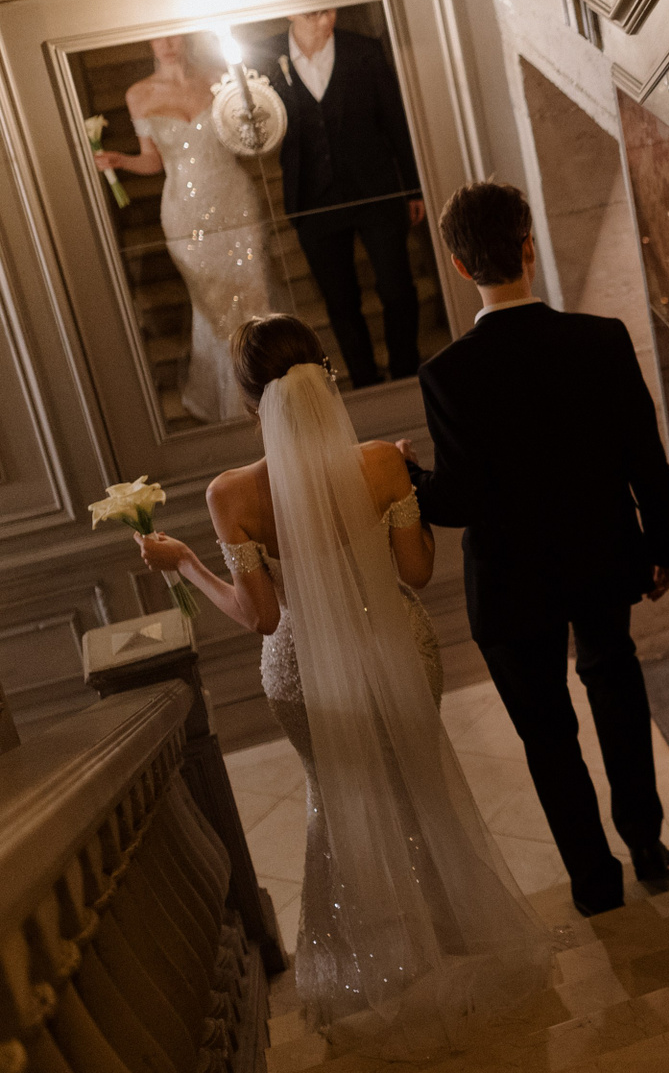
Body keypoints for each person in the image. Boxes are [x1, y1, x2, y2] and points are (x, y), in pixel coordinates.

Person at [134, 315, 549, 1054]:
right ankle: (453, 934)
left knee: (337, 802)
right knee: (421, 788)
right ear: (326, 378)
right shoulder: (381, 464)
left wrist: (185, 564)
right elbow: (415, 571)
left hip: (303, 676)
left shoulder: (231, 494)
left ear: (251, 400)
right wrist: (403, 491)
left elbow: (261, 617)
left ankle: (372, 964)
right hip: (400, 651)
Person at [400, 182, 669, 915]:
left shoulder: (446, 374)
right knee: (616, 689)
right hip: (601, 555)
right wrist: (663, 542)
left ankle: (594, 883)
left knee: (547, 733)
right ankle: (647, 843)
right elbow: (646, 457)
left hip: (510, 580)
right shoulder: (601, 339)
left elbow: (460, 501)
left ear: (460, 266)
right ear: (529, 247)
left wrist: (409, 478)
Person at [94, 34, 277, 424]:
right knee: (214, 307)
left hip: (235, 201)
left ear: (185, 37)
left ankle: (272, 393)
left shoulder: (218, 76)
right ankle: (236, 404)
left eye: (173, 34)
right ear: (148, 42)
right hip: (184, 213)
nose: (167, 44)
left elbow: (245, 139)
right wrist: (121, 161)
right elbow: (153, 160)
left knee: (254, 296)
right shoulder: (138, 94)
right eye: (158, 37)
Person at [261, 9, 426, 389]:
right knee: (340, 302)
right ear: (291, 13)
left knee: (397, 288)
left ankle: (406, 371)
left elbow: (395, 121)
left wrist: (413, 187)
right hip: (312, 200)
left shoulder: (364, 49)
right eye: (313, 15)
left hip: (376, 190)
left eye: (329, 11)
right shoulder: (265, 58)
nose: (325, 22)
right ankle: (365, 381)